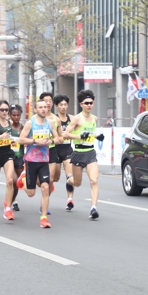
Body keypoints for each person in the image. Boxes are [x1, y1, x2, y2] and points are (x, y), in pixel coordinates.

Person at [18, 99, 59, 228]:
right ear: (35, 109)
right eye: (40, 107)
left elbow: (59, 138)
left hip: (44, 160)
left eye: (45, 107)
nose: (43, 109)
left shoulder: (51, 123)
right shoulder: (30, 123)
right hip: (31, 160)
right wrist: (35, 140)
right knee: (31, 193)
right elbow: (20, 140)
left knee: (45, 187)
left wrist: (51, 142)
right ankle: (23, 179)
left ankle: (44, 218)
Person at [64, 90, 104, 220]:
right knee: (77, 183)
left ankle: (93, 208)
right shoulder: (77, 118)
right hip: (78, 153)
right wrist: (79, 136)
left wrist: (98, 136)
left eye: (91, 102)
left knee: (94, 180)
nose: (89, 105)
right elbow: (66, 134)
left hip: (90, 153)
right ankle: (69, 178)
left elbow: (91, 133)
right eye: (86, 103)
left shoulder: (94, 118)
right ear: (81, 104)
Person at [40, 92, 63, 211]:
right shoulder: (34, 119)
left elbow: (60, 138)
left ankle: (44, 205)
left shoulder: (56, 120)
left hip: (52, 151)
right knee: (39, 182)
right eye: (45, 100)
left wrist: (53, 141)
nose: (48, 103)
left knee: (50, 179)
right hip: (37, 152)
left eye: (50, 101)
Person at [54, 94, 76, 211]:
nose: (63, 107)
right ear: (57, 106)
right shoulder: (53, 119)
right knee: (56, 177)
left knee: (69, 176)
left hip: (67, 149)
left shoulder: (72, 118)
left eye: (65, 104)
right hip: (56, 150)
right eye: (61, 105)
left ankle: (70, 199)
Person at [9, 104, 24, 211]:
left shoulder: (23, 128)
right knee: (11, 180)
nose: (16, 117)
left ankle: (13, 199)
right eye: (14, 115)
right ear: (10, 115)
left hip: (20, 156)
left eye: (18, 115)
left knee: (18, 181)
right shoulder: (7, 128)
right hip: (8, 157)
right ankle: (11, 202)